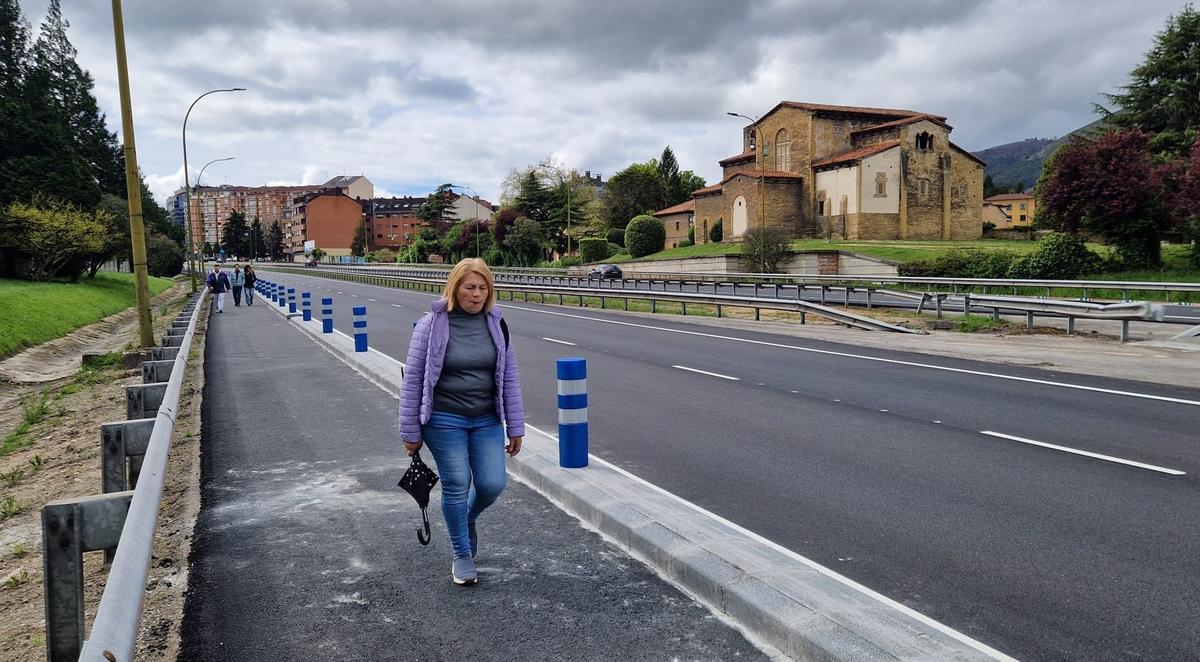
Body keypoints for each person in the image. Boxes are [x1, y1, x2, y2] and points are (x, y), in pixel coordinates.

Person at [399, 258, 524, 586]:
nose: (477, 294)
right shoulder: (432, 324)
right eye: (470, 287)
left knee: (492, 484)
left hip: (486, 419)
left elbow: (508, 377)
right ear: (455, 287)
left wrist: (516, 426)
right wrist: (410, 432)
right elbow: (413, 380)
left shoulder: (497, 323)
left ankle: (466, 518)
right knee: (456, 483)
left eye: (484, 288)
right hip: (443, 419)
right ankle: (462, 554)